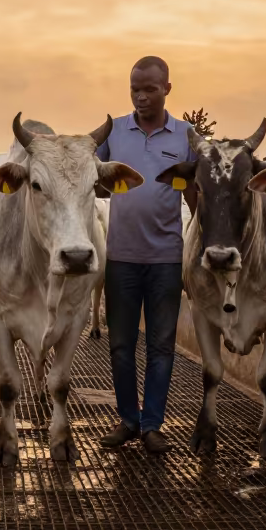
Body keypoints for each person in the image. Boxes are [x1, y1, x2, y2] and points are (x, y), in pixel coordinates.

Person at [95, 56, 196, 454]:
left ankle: (153, 424)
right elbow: (89, 176)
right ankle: (128, 420)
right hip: (120, 257)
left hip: (167, 259)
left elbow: (195, 194)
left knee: (161, 346)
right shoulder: (113, 132)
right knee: (120, 344)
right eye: (134, 88)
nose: (140, 96)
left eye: (149, 89)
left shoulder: (186, 136)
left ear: (167, 88)